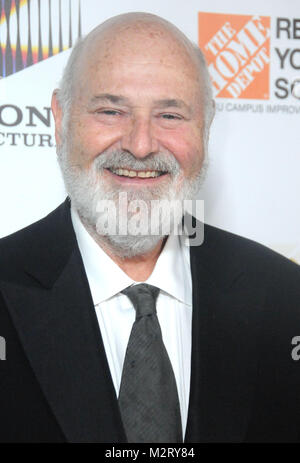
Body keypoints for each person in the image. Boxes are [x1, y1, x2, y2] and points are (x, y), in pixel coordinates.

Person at [0, 12, 300, 444]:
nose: (140, 145)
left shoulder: (285, 298)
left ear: (206, 128)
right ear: (61, 119)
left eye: (170, 116)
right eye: (110, 110)